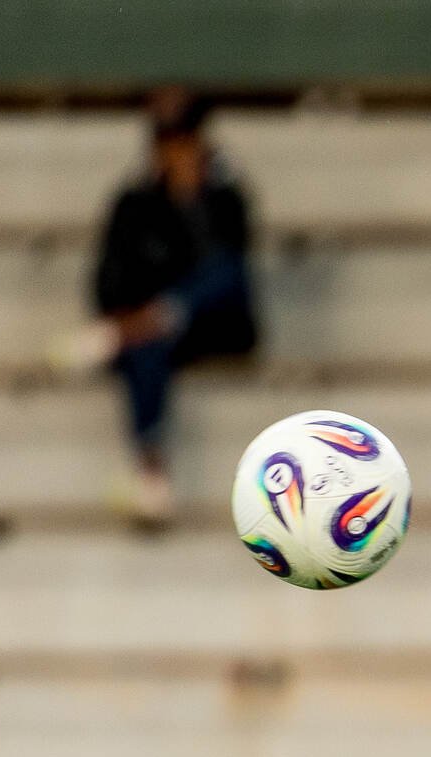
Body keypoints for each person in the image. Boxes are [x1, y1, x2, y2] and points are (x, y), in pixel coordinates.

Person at [76, 92, 259, 527]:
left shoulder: (225, 200)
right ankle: (150, 467)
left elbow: (233, 269)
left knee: (222, 274)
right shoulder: (134, 204)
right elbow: (107, 281)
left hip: (214, 324)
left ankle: (153, 320)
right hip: (153, 332)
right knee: (146, 346)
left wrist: (193, 204)